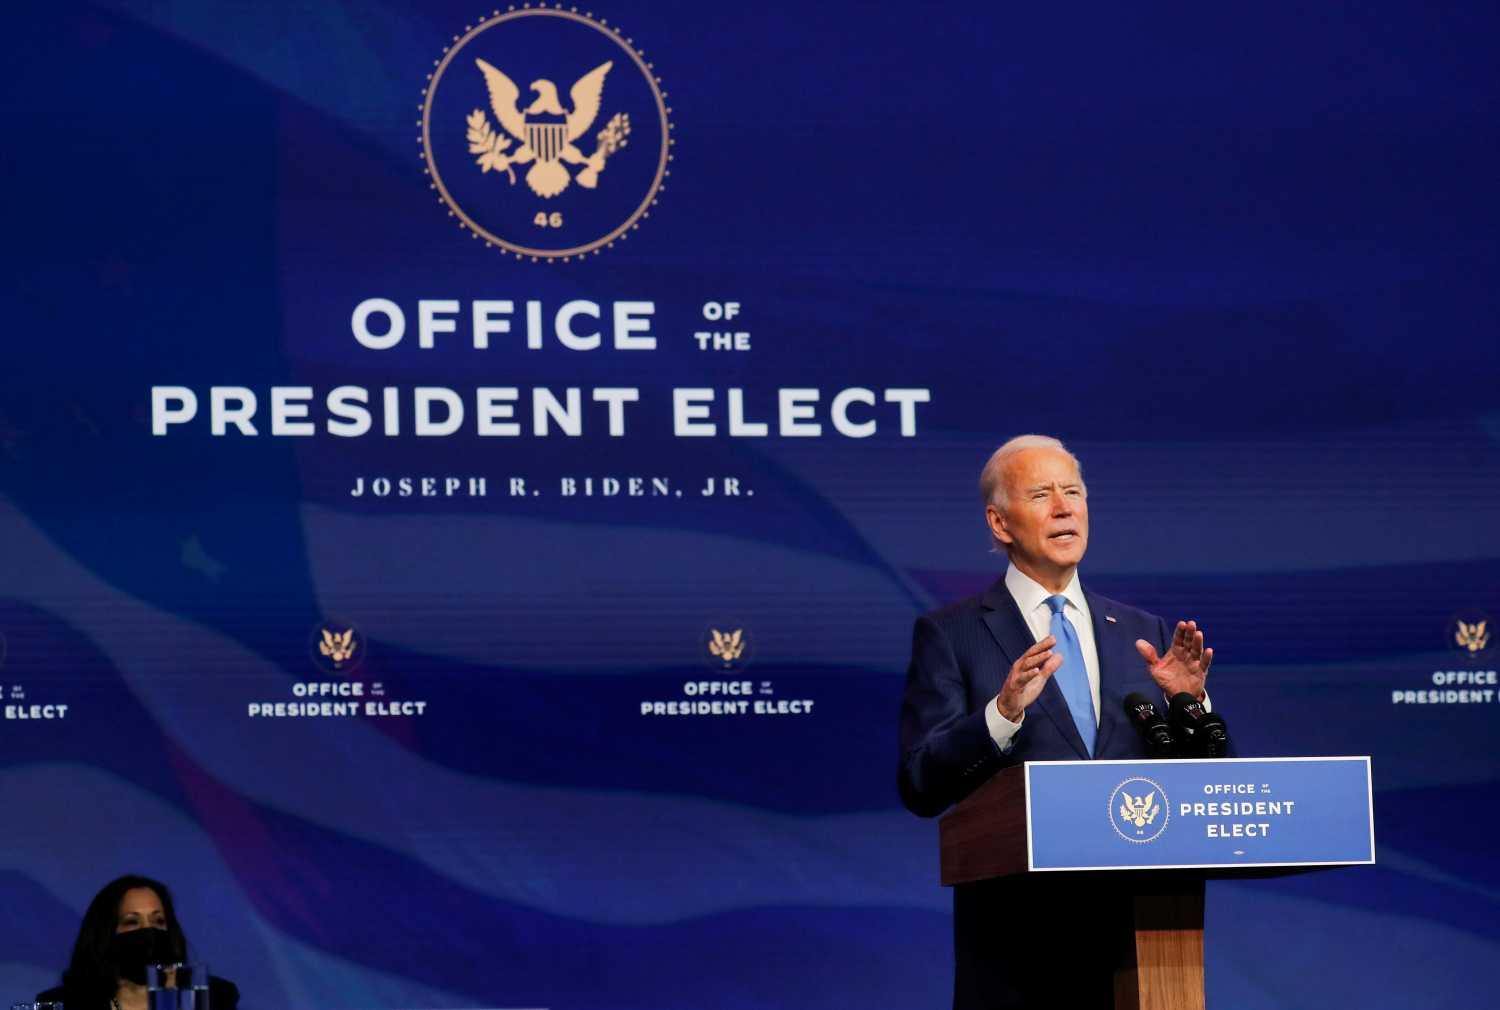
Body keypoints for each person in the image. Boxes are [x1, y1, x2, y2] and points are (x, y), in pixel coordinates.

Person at [898, 435, 1221, 1009]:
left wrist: (1192, 705)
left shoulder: (1139, 629)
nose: (1065, 507)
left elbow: (1196, 784)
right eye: (1043, 494)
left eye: (1073, 492)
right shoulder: (953, 633)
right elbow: (921, 781)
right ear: (1000, 524)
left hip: (1142, 941)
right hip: (1017, 952)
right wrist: (1001, 715)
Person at [39, 874, 240, 1010]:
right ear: (105, 935)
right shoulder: (59, 1003)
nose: (148, 931)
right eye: (132, 922)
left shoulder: (215, 997)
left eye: (158, 921)